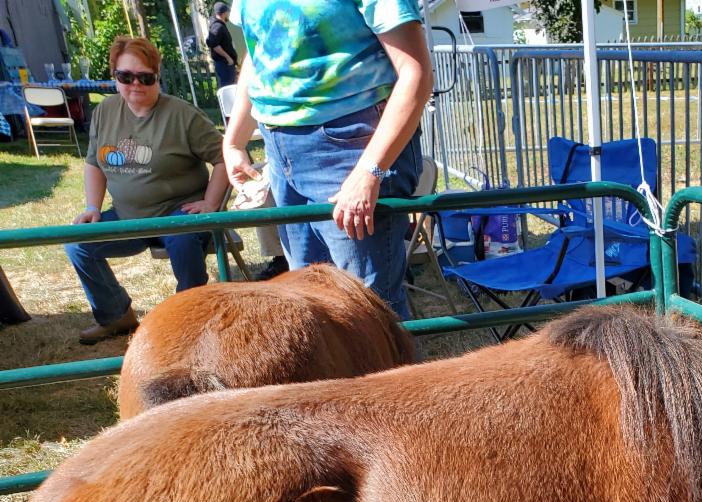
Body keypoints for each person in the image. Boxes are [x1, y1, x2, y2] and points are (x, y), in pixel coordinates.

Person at [223, 0, 433, 319]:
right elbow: (260, 50)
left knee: (369, 312)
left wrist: (368, 171)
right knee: (307, 300)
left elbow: (415, 73)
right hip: (280, 149)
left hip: (352, 147)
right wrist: (235, 139)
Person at [65, 36, 228, 344]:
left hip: (176, 213)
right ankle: (116, 316)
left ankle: (190, 322)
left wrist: (210, 201)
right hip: (129, 216)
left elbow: (225, 157)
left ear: (157, 75)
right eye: (125, 76)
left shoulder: (183, 115)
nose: (135, 84)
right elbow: (93, 164)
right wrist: (92, 207)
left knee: (182, 240)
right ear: (114, 76)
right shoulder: (105, 112)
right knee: (77, 244)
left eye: (145, 77)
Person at [206, 2, 238, 89]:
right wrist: (228, 58)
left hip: (226, 64)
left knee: (231, 87)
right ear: (224, 13)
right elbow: (214, 44)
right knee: (228, 88)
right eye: (227, 12)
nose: (228, 14)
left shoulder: (219, 25)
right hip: (224, 64)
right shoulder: (217, 27)